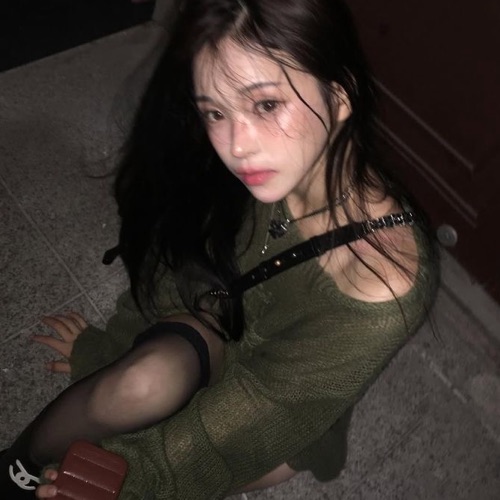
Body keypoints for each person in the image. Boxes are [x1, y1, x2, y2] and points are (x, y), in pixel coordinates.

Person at [1, 0, 439, 498]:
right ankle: (15, 469)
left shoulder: (381, 285)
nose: (236, 144)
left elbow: (259, 409)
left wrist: (131, 481)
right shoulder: (257, 166)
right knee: (141, 383)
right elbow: (182, 274)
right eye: (215, 111)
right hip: (215, 330)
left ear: (339, 98)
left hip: (272, 417)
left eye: (266, 104)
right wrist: (109, 354)